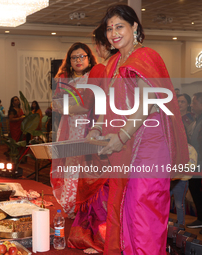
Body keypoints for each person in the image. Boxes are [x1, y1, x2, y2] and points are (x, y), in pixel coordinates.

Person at [87, 5, 189, 254]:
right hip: (125, 146)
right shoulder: (112, 62)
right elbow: (105, 102)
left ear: (134, 27)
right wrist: (97, 128)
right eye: (109, 28)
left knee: (144, 212)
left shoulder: (146, 57)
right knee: (123, 210)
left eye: (119, 26)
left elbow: (148, 102)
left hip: (149, 145)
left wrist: (122, 135)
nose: (113, 33)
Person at [68, 24, 118, 252]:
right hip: (116, 133)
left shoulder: (101, 70)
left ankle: (99, 238)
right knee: (111, 187)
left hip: (100, 133)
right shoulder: (119, 67)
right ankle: (113, 238)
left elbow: (90, 105)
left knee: (96, 187)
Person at [51, 42, 97, 218]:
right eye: (74, 57)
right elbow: (55, 103)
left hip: (90, 125)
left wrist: (68, 107)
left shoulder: (94, 76)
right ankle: (70, 205)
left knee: (87, 165)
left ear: (89, 58)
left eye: (82, 56)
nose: (78, 60)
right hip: (69, 126)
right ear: (69, 60)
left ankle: (84, 206)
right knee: (71, 163)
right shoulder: (65, 79)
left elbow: (87, 107)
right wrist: (70, 107)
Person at [186, 92, 202, 233]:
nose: (191, 105)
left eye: (194, 102)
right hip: (197, 162)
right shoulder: (197, 119)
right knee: (194, 188)